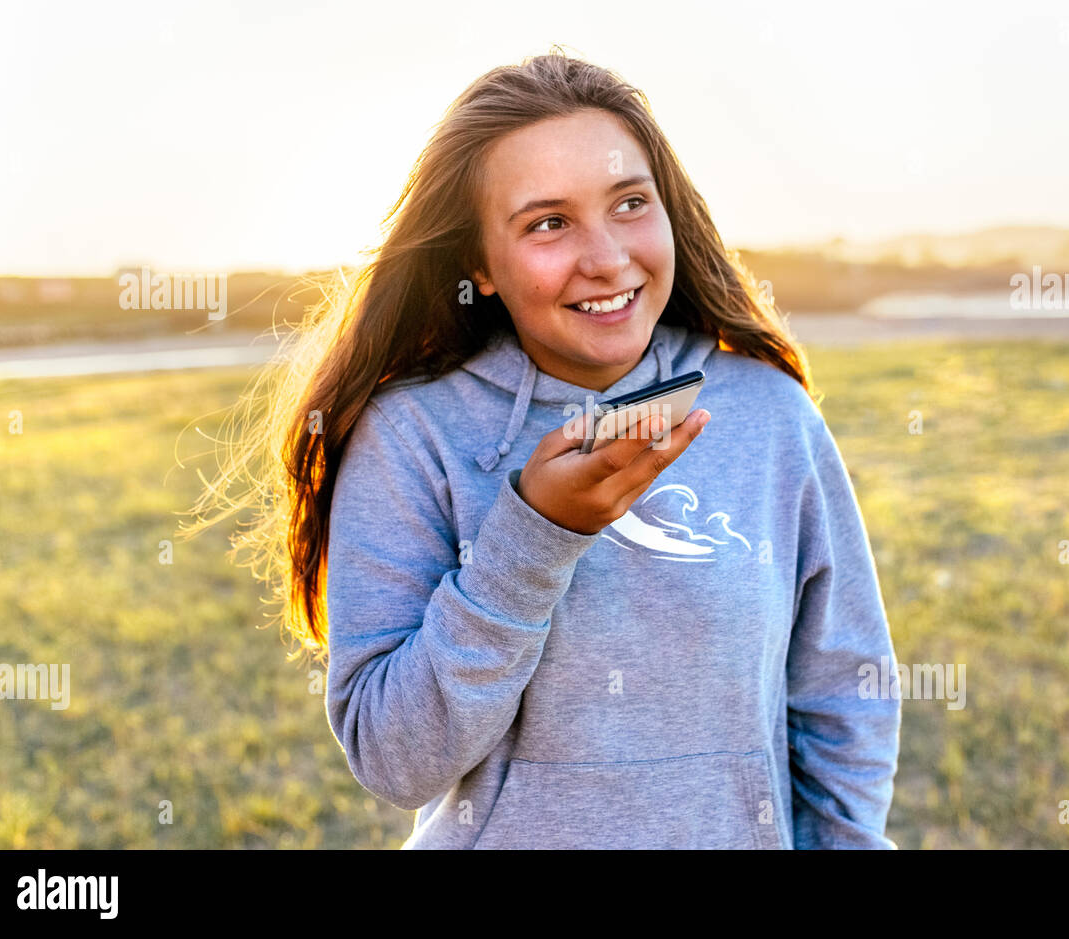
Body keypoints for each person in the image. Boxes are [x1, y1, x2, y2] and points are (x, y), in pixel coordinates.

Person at [197, 49, 902, 849]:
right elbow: (394, 760)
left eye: (630, 203)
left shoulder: (769, 414)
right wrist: (532, 537)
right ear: (478, 265)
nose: (606, 258)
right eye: (548, 223)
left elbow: (846, 691)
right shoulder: (414, 435)